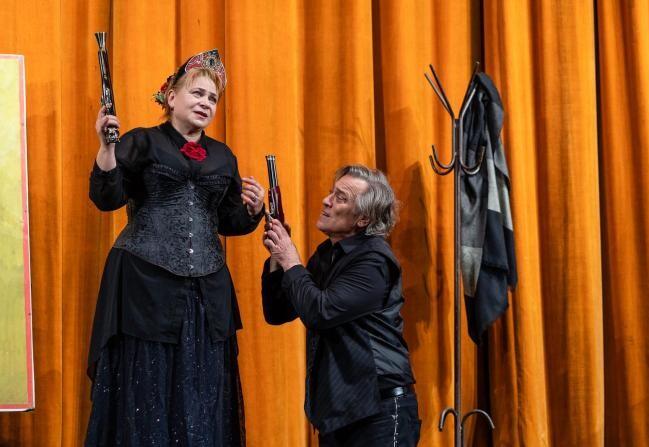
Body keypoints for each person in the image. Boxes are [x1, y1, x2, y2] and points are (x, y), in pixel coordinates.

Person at [85, 49, 264, 446]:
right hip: (144, 285)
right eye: (197, 93)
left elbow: (229, 221)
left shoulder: (223, 156)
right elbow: (107, 198)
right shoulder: (142, 141)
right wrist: (106, 148)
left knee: (200, 388)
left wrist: (253, 210)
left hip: (205, 294)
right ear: (171, 97)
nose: (205, 103)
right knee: (147, 386)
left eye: (212, 98)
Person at [261, 165, 420, 446]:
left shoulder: (373, 261)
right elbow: (278, 312)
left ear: (363, 218)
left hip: (379, 411)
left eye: (341, 198)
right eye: (331, 193)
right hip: (339, 411)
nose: (326, 201)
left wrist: (291, 260)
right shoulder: (327, 254)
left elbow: (320, 312)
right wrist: (277, 257)